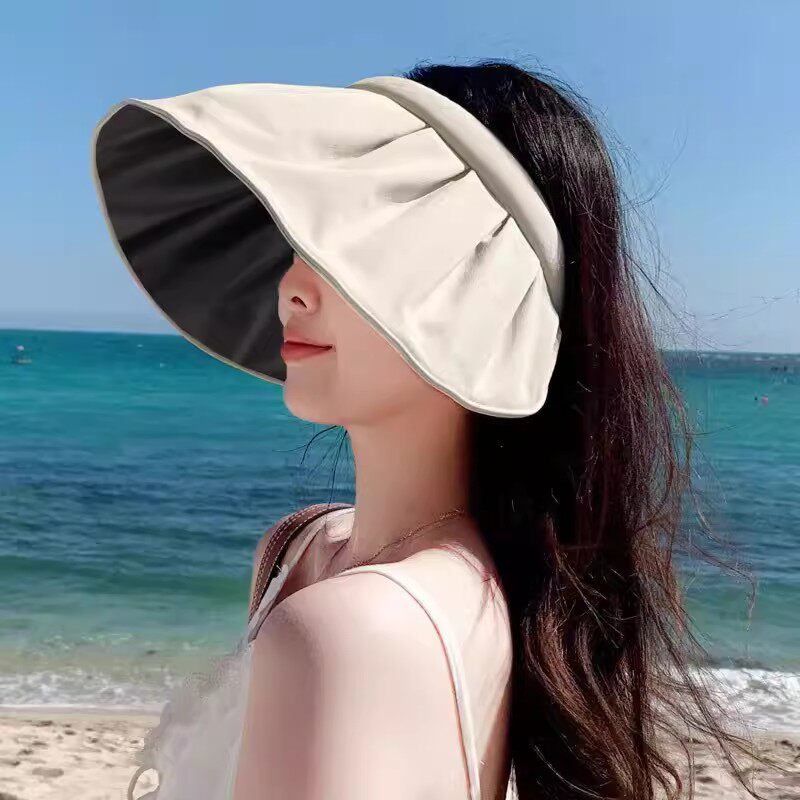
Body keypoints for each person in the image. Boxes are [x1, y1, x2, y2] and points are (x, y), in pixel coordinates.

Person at [93, 59, 761, 800]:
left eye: (353, 250)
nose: (292, 287)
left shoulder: (356, 628)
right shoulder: (302, 549)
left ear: (479, 294)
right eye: (301, 241)